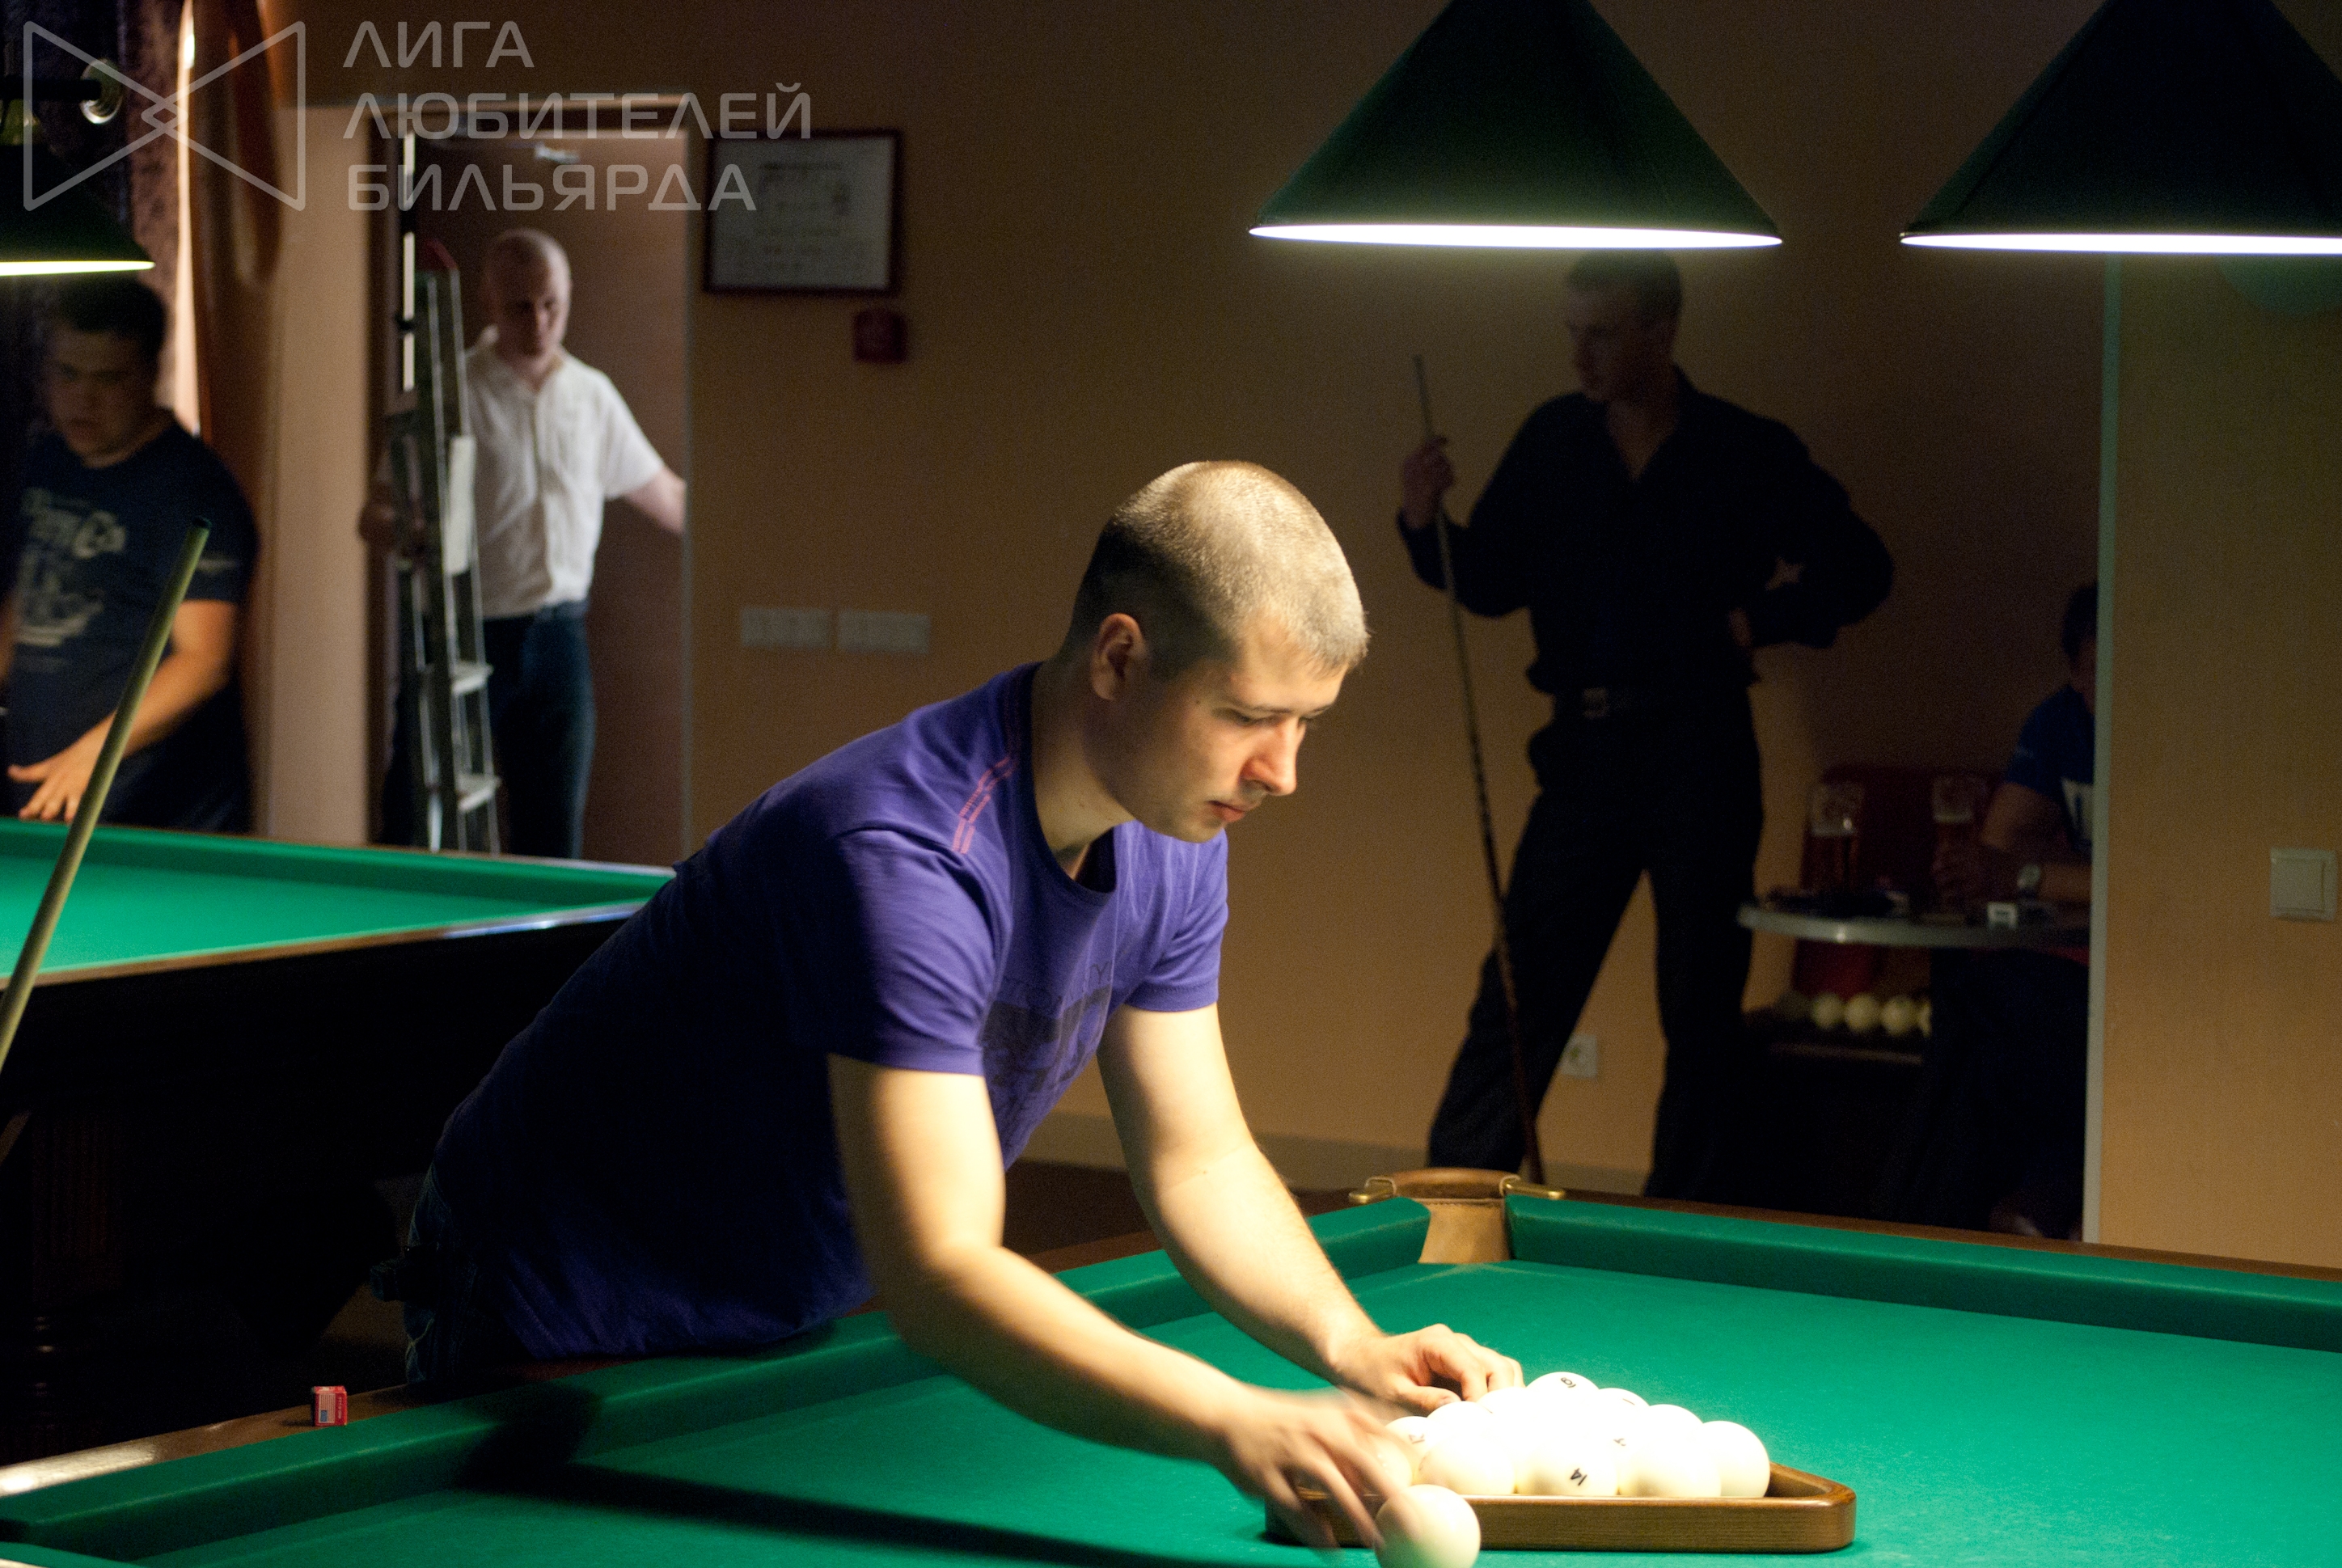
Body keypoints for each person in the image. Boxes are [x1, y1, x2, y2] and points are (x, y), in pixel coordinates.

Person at [384, 463, 1519, 1545]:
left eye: (1306, 721)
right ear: (1120, 659)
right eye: (1247, 714)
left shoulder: (1176, 837)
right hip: (559, 1295)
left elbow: (1200, 1159)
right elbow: (940, 1270)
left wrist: (1350, 1343)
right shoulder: (904, 856)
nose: (1282, 770)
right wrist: (1232, 1416)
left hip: (771, 1301)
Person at [1399, 251, 1892, 1199]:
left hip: (1700, 752)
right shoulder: (1553, 440)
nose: (1578, 356)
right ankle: (1451, 1205)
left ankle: (1681, 1218)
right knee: (1520, 991)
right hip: (1583, 755)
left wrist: (1759, 621)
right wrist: (1426, 525)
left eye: (1601, 333)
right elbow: (1490, 579)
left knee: (1700, 1009)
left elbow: (1862, 568)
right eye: (1571, 333)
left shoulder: (1742, 448)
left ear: (1660, 333)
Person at [365, 228, 686, 858]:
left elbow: (669, 499)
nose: (538, 322)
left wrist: (751, 533)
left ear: (568, 296)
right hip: (463, 632)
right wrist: (418, 533)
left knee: (553, 833)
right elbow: (373, 514)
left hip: (559, 638)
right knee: (414, 821)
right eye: (520, 307)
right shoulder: (442, 392)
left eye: (551, 305)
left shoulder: (591, 395)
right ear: (489, 302)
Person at [1, 277, 257, 831]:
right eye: (67, 374)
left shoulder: (194, 490)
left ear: (149, 375)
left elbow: (204, 659)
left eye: (108, 379)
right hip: (45, 798)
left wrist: (92, 755)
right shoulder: (49, 461)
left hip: (154, 816)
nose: (82, 399)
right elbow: (25, 602)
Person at [1889, 583, 2097, 1238]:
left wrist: (2032, 874)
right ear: (2073, 671)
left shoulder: (2171, 738)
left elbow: (2152, 882)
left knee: (1992, 1016)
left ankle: (1909, 1226)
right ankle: (1937, 1225)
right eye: (2097, 674)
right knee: (1975, 1012)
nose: (2111, 694)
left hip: (2145, 980)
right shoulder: (2061, 722)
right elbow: (1999, 848)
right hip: (2073, 969)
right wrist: (2016, 871)